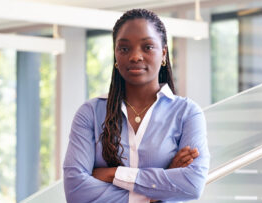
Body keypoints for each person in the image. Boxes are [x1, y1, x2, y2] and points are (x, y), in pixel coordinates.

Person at [63, 8, 210, 203]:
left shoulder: (187, 113)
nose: (135, 56)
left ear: (164, 53)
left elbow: (192, 184)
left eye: (147, 47)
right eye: (124, 49)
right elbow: (76, 191)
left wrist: (112, 174)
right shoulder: (90, 113)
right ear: (116, 55)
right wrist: (159, 189)